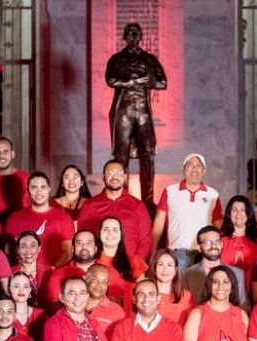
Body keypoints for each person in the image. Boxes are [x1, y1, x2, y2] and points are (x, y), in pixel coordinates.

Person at [106, 22, 167, 209]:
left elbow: (162, 82)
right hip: (123, 111)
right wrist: (136, 81)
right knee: (121, 155)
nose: (134, 36)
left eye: (137, 33)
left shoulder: (149, 59)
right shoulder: (117, 59)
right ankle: (121, 198)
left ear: (141, 36)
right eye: (130, 33)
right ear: (125, 37)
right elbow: (111, 80)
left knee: (148, 154)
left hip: (143, 112)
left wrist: (150, 83)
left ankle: (148, 200)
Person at [151, 153, 223, 267]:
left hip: (204, 254)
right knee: (179, 285)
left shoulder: (213, 194)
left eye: (199, 165)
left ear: (204, 171)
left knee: (202, 285)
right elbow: (159, 223)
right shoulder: (170, 191)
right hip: (178, 254)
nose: (194, 169)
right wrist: (153, 250)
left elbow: (218, 225)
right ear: (183, 169)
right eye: (190, 164)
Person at [110, 280, 185, 341]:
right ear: (134, 299)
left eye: (151, 294)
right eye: (141, 294)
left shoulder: (174, 329)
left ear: (158, 299)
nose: (146, 299)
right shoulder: (121, 329)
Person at [78, 160, 152, 260]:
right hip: (99, 268)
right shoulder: (89, 205)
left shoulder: (138, 205)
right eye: (110, 173)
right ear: (103, 177)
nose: (114, 177)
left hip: (130, 268)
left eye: (119, 173)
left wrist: (135, 266)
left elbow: (145, 241)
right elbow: (84, 238)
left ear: (125, 177)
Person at [4, 172, 74, 266]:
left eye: (43, 187)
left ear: (49, 189)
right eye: (34, 187)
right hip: (24, 275)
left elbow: (68, 252)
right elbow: (11, 251)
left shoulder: (64, 218)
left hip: (53, 274)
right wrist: (27, 271)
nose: (38, 191)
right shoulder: (15, 218)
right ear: (28, 190)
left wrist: (50, 270)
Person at [42, 230, 122, 307]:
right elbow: (53, 306)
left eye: (88, 243)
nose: (84, 247)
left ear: (95, 249)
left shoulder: (110, 271)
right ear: (72, 249)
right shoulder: (58, 274)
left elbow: (115, 307)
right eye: (79, 243)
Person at [184, 226, 248, 310]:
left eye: (217, 241)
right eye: (207, 242)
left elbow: (243, 309)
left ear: (221, 244)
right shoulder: (187, 274)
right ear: (199, 248)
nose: (213, 246)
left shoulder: (238, 274)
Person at [219, 194, 257, 287]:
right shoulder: (220, 237)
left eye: (242, 210)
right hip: (225, 289)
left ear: (249, 213)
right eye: (234, 210)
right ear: (229, 214)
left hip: (255, 289)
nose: (238, 214)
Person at [96, 216, 147, 302]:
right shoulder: (92, 262)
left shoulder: (134, 262)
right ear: (99, 234)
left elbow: (144, 293)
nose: (110, 233)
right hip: (99, 312)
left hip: (129, 312)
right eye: (106, 229)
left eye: (115, 230)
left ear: (121, 235)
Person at [146, 249, 195, 325]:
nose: (165, 269)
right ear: (154, 269)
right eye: (160, 264)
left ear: (175, 270)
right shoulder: (144, 295)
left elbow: (192, 326)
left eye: (169, 265)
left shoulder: (186, 296)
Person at [84, 264, 126, 337]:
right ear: (85, 279)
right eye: (95, 280)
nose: (100, 285)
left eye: (105, 282)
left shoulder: (117, 312)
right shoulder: (73, 305)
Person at [11, 231, 51, 301]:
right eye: (23, 246)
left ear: (39, 249)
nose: (28, 250)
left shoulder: (50, 271)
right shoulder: (10, 273)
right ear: (18, 250)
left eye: (33, 246)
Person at [7, 271, 46, 336]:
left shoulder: (40, 314)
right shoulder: (3, 316)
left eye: (25, 286)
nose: (21, 290)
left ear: (30, 290)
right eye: (16, 286)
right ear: (9, 290)